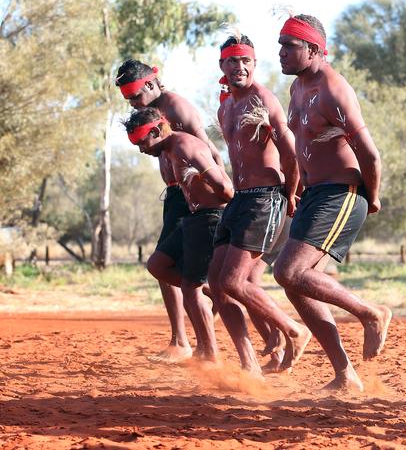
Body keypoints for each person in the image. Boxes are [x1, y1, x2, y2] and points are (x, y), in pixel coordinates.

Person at [274, 14, 392, 392]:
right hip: (315, 195)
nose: (281, 53)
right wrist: (297, 186)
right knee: (297, 283)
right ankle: (345, 375)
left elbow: (370, 156)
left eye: (289, 46)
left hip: (342, 193)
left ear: (314, 49)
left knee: (287, 272)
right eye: (280, 44)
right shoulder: (297, 89)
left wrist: (371, 197)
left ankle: (370, 313)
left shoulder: (333, 89)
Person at [208, 34, 311, 375]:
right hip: (239, 200)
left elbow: (291, 151)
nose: (239, 67)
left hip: (266, 198)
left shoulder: (263, 99)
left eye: (245, 61)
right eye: (232, 61)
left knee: (237, 282)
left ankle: (294, 330)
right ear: (222, 66)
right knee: (218, 285)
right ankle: (249, 363)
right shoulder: (226, 107)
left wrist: (291, 193)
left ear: (254, 64)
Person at [115, 60, 224, 363]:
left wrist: (219, 197)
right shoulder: (151, 114)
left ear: (151, 84)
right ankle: (183, 338)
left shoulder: (177, 107)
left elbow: (210, 153)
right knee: (167, 266)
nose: (133, 104)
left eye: (135, 96)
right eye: (128, 100)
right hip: (176, 195)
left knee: (169, 265)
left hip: (191, 198)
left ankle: (186, 339)